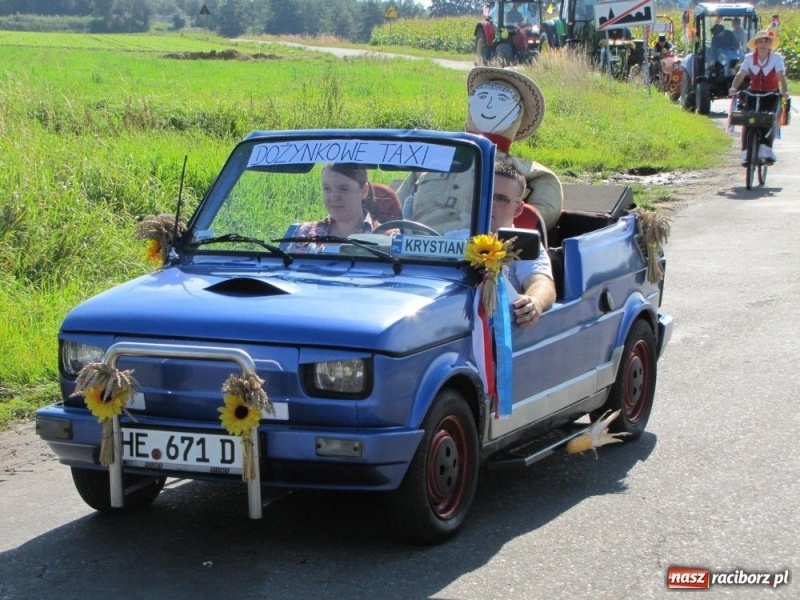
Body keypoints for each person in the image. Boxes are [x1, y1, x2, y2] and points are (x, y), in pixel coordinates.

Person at [399, 67, 563, 235]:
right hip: (406, 254)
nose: (490, 105)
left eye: (502, 99)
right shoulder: (429, 161)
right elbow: (393, 210)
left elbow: (527, 232)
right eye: (482, 97)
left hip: (475, 256)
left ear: (518, 113)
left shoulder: (536, 177)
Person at [492, 161, 556, 327]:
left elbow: (541, 282)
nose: (491, 204)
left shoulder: (523, 243)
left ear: (519, 209)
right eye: (486, 195)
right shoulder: (455, 236)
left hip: (499, 329)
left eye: (501, 199)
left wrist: (534, 302)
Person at [728, 30, 790, 165]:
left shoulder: (776, 58)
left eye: (766, 41)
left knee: (768, 120)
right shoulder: (749, 58)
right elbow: (741, 73)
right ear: (756, 44)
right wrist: (734, 88)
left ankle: (766, 150)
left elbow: (781, 75)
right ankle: (746, 153)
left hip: (770, 94)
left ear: (770, 45)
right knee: (748, 121)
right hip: (753, 94)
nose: (763, 44)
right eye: (760, 41)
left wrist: (784, 91)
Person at [290, 164, 381, 250]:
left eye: (343, 189)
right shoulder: (304, 234)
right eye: (327, 188)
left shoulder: (387, 238)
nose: (333, 197)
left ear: (364, 191)